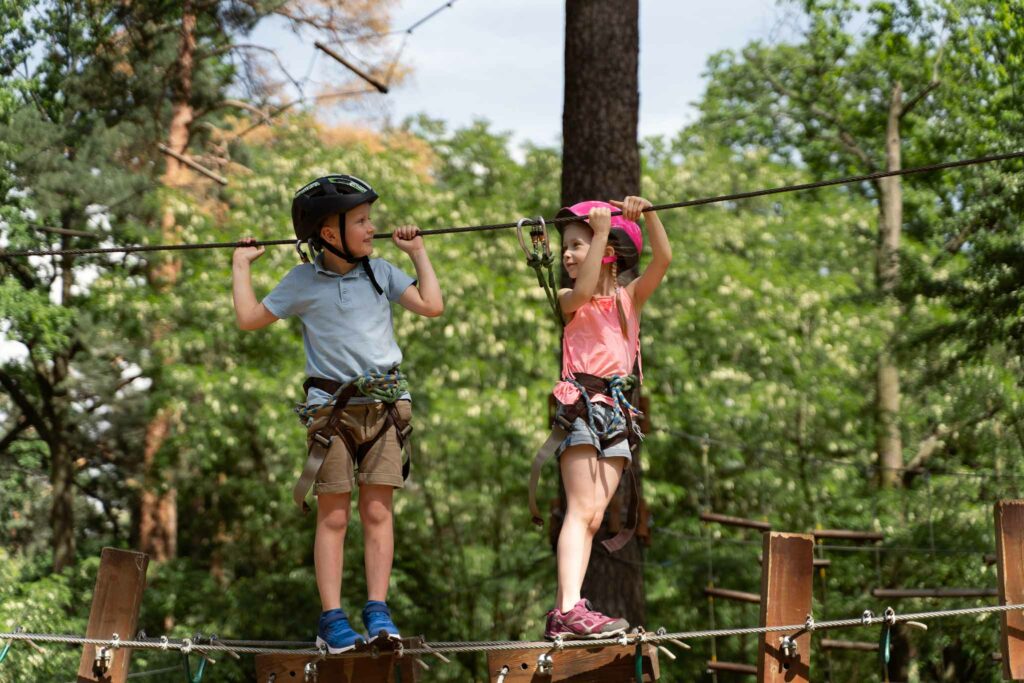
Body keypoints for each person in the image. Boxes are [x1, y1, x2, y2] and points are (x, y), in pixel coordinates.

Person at [231, 174, 443, 653]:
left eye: (371, 220)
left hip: (386, 407)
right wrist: (241, 265)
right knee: (334, 516)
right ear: (330, 234)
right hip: (332, 413)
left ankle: (378, 610)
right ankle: (332, 618)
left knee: (377, 511)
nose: (373, 229)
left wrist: (418, 255)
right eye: (362, 221)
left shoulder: (381, 271)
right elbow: (249, 319)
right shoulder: (303, 282)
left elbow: (432, 305)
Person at [539, 196, 671, 640]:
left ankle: (569, 608)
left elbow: (664, 259)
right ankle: (568, 606)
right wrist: (597, 232)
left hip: (617, 413)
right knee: (579, 509)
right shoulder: (567, 300)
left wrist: (648, 214)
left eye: (577, 245)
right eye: (567, 249)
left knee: (595, 515)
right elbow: (582, 289)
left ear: (610, 251)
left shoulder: (629, 299)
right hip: (580, 405)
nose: (569, 255)